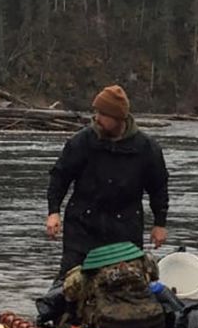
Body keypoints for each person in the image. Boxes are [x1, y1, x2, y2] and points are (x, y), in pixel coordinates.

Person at [45, 84, 169, 283]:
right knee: (69, 283)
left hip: (125, 228)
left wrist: (160, 223)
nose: (97, 118)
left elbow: (159, 187)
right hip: (82, 226)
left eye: (103, 114)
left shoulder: (146, 148)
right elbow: (59, 176)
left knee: (126, 285)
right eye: (96, 112)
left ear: (119, 118)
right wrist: (53, 212)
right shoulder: (82, 142)